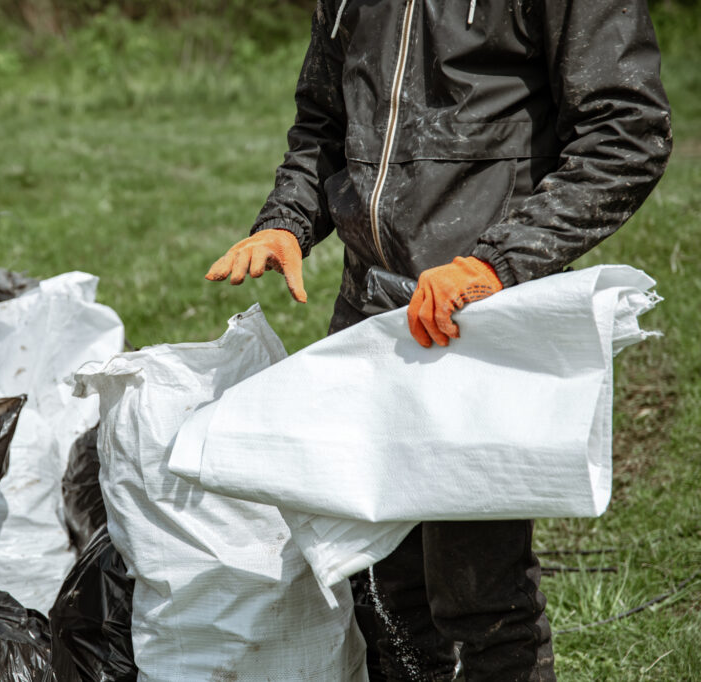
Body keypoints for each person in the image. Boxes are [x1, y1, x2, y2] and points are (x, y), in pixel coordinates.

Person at [205, 1, 671, 680]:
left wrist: (497, 263)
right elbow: (323, 125)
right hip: (372, 315)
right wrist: (287, 220)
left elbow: (626, 135)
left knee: (478, 598)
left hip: (480, 319)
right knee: (381, 588)